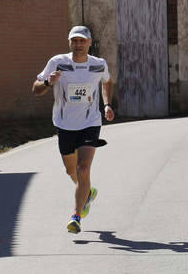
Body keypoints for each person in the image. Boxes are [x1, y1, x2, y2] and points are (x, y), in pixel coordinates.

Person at [32, 26, 115, 234]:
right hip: (65, 124)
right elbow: (35, 89)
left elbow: (107, 82)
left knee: (83, 168)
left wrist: (106, 104)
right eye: (74, 41)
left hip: (90, 123)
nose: (78, 45)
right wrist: (48, 82)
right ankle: (87, 191)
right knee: (71, 171)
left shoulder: (98, 64)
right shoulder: (58, 62)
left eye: (82, 41)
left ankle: (76, 216)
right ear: (69, 42)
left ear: (89, 42)